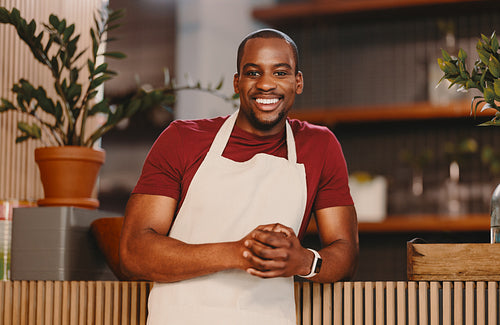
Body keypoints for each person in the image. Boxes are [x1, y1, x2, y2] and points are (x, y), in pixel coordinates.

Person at [119, 28, 358, 325]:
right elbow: (134, 252)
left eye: (280, 73)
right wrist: (239, 253)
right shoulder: (182, 138)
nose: (266, 84)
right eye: (253, 73)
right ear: (237, 82)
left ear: (298, 82)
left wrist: (303, 261)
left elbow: (345, 252)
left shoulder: (319, 146)